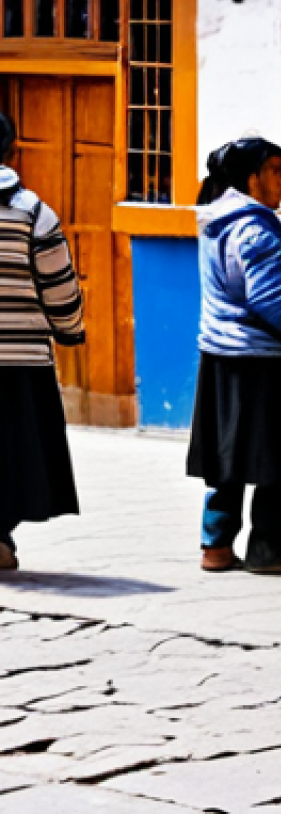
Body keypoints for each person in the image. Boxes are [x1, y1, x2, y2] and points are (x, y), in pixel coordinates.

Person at [187, 136, 281, 575]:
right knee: (273, 458)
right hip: (262, 359)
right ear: (252, 178)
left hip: (222, 354)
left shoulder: (216, 221)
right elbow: (271, 297)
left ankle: (217, 544)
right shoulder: (254, 227)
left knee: (227, 457)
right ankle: (268, 545)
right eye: (276, 171)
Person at [0, 111, 85, 571]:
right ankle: (1, 535)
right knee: (13, 448)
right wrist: (70, 330)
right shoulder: (34, 212)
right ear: (11, 152)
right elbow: (59, 285)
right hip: (20, 358)